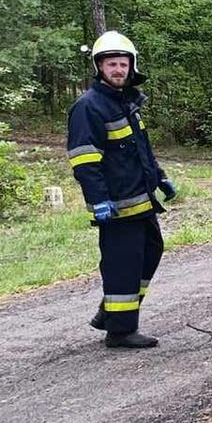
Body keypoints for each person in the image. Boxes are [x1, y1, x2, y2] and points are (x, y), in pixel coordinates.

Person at [66, 31, 175, 350]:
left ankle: (112, 312)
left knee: (151, 253)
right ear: (99, 67)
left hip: (141, 201)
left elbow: (141, 149)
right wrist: (98, 201)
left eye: (123, 64)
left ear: (131, 66)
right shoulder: (89, 107)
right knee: (123, 264)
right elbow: (85, 161)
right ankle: (121, 330)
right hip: (115, 207)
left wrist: (160, 177)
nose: (118, 69)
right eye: (111, 64)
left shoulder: (126, 102)